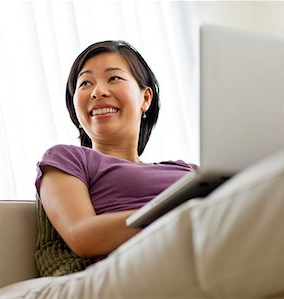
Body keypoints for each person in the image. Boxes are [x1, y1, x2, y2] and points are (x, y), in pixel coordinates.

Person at [34, 40, 197, 276]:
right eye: (85, 83)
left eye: (114, 78)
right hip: (150, 262)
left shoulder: (188, 170)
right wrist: (181, 213)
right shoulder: (67, 158)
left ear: (146, 99)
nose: (98, 91)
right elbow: (82, 235)